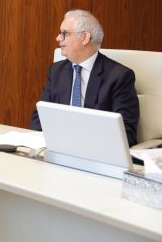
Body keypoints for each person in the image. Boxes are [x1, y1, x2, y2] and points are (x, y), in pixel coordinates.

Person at [30, 9, 140, 146]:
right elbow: (39, 118)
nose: (58, 38)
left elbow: (126, 133)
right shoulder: (56, 71)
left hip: (95, 151)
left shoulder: (119, 76)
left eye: (64, 33)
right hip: (57, 147)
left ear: (85, 38)